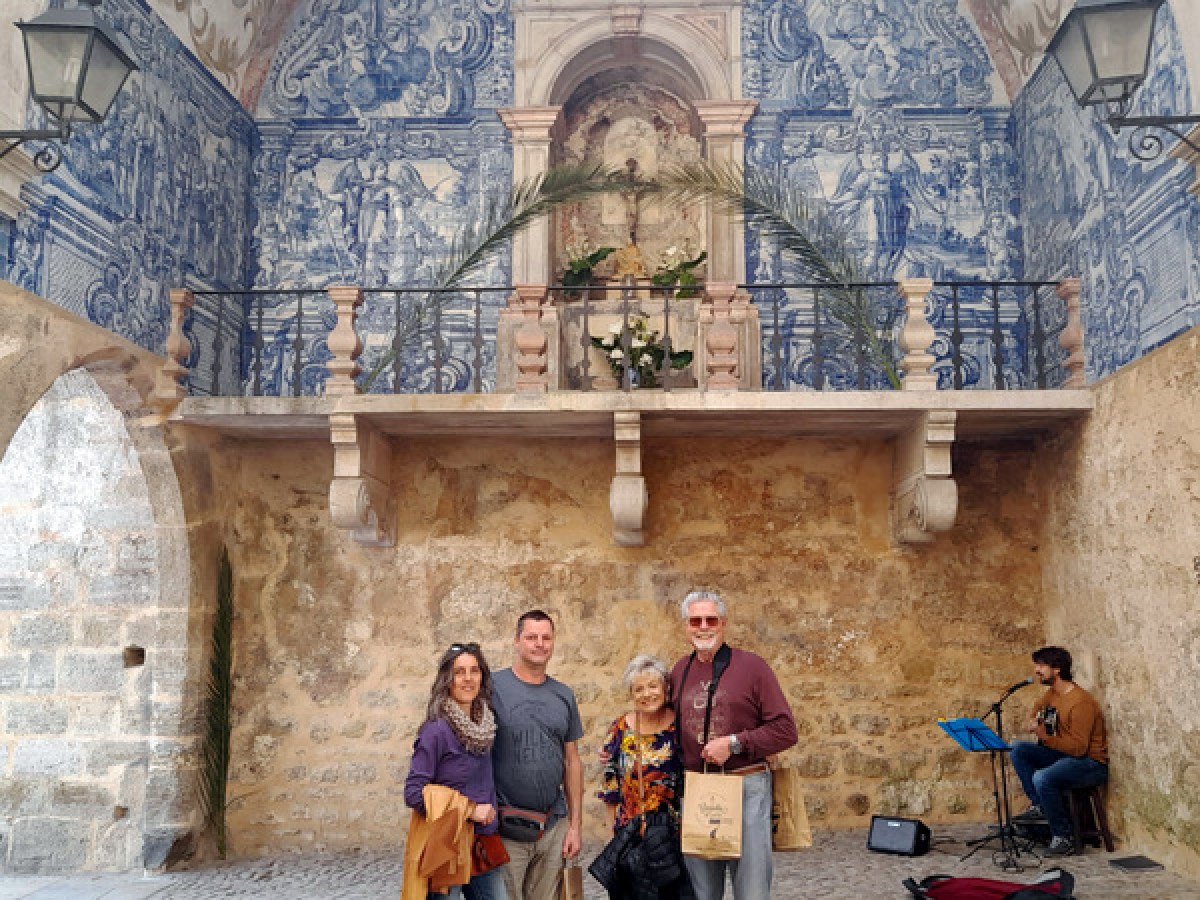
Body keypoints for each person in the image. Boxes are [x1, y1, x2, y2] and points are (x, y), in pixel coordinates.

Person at [669, 590, 797, 900]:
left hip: (746, 788)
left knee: (751, 891)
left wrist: (735, 743)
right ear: (686, 627)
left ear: (723, 623)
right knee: (701, 894)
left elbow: (786, 730)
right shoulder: (678, 671)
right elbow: (661, 725)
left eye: (710, 619)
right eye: (695, 620)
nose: (703, 627)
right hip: (698, 791)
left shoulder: (753, 667)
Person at [404, 642, 509, 900]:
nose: (467, 678)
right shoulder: (436, 730)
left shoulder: (486, 725)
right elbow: (413, 793)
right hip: (447, 847)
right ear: (447, 679)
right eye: (459, 671)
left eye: (474, 671)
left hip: (483, 844)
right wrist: (471, 810)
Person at [491, 610, 584, 900]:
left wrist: (575, 826)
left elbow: (572, 761)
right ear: (517, 641)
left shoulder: (563, 695)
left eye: (546, 637)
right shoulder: (492, 688)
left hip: (552, 828)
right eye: (531, 637)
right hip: (506, 829)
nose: (539, 644)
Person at [596, 654, 691, 899]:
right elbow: (610, 784)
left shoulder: (680, 727)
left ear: (665, 688)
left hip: (674, 836)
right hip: (632, 835)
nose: (647, 694)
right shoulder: (620, 728)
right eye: (639, 689)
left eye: (652, 686)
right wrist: (612, 832)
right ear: (631, 693)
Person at [1010, 646, 1108, 857]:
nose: (1037, 670)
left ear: (1057, 669)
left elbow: (1079, 748)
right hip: (1065, 755)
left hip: (1089, 763)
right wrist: (1034, 717)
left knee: (1042, 777)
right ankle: (1040, 806)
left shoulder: (1081, 703)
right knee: (1018, 749)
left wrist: (1045, 737)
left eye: (1041, 666)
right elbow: (1038, 704)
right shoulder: (1054, 693)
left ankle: (1063, 837)